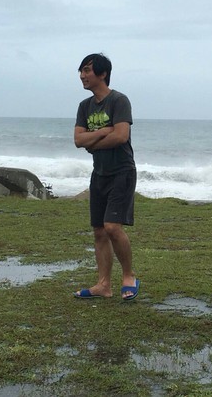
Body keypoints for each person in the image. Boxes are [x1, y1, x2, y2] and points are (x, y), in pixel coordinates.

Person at [73, 53, 140, 301]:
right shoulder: (84, 106)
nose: (82, 75)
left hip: (121, 172)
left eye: (87, 70)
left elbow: (121, 136)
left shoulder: (119, 101)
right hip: (98, 173)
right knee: (99, 231)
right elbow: (78, 140)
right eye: (81, 71)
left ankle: (129, 276)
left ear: (102, 74)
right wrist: (103, 131)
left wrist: (94, 143)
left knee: (113, 227)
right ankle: (103, 285)